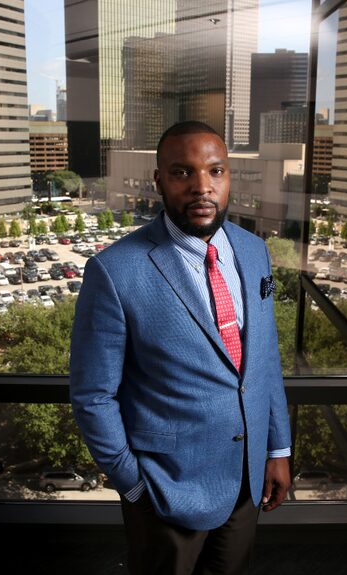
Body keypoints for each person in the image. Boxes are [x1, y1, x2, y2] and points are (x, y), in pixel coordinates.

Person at [70, 121, 291, 574]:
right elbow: (93, 395)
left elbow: (264, 360)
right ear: (158, 181)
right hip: (165, 489)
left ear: (230, 177)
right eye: (182, 173)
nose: (201, 187)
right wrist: (133, 484)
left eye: (215, 171)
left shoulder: (253, 251)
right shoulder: (114, 271)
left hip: (246, 480)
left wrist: (277, 449)